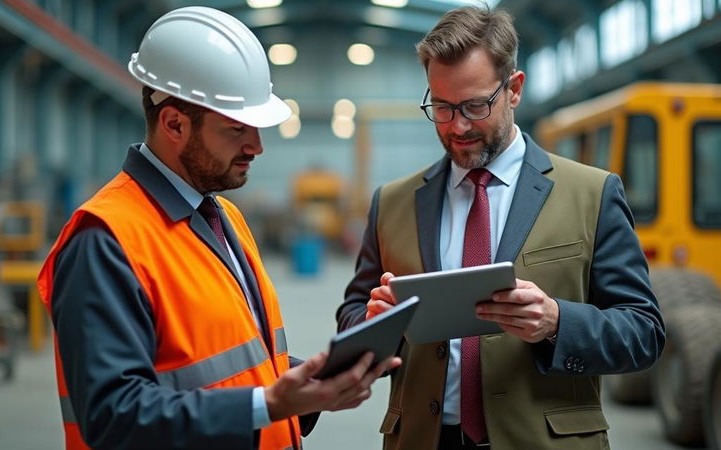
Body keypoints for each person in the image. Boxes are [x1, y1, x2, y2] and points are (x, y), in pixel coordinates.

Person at [37, 7, 399, 449]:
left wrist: (318, 381)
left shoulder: (225, 218)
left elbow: (228, 362)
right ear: (174, 124)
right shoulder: (105, 239)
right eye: (235, 130)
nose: (257, 147)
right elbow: (113, 416)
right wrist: (267, 404)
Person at [337, 6, 665, 449]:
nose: (458, 126)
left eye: (475, 105)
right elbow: (353, 315)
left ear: (514, 90)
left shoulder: (592, 194)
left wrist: (556, 322)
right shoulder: (393, 203)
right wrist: (374, 324)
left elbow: (643, 332)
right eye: (441, 107)